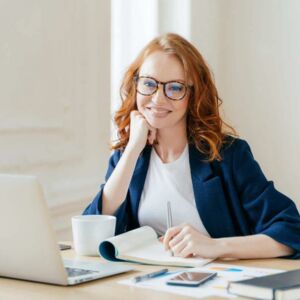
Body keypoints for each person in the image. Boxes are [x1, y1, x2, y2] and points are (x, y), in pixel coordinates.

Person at [83, 33, 300, 259]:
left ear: (193, 95)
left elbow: (292, 230)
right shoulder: (128, 155)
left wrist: (216, 246)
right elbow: (93, 231)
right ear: (136, 85)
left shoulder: (229, 155)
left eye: (175, 88)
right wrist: (131, 151)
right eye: (149, 84)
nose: (158, 99)